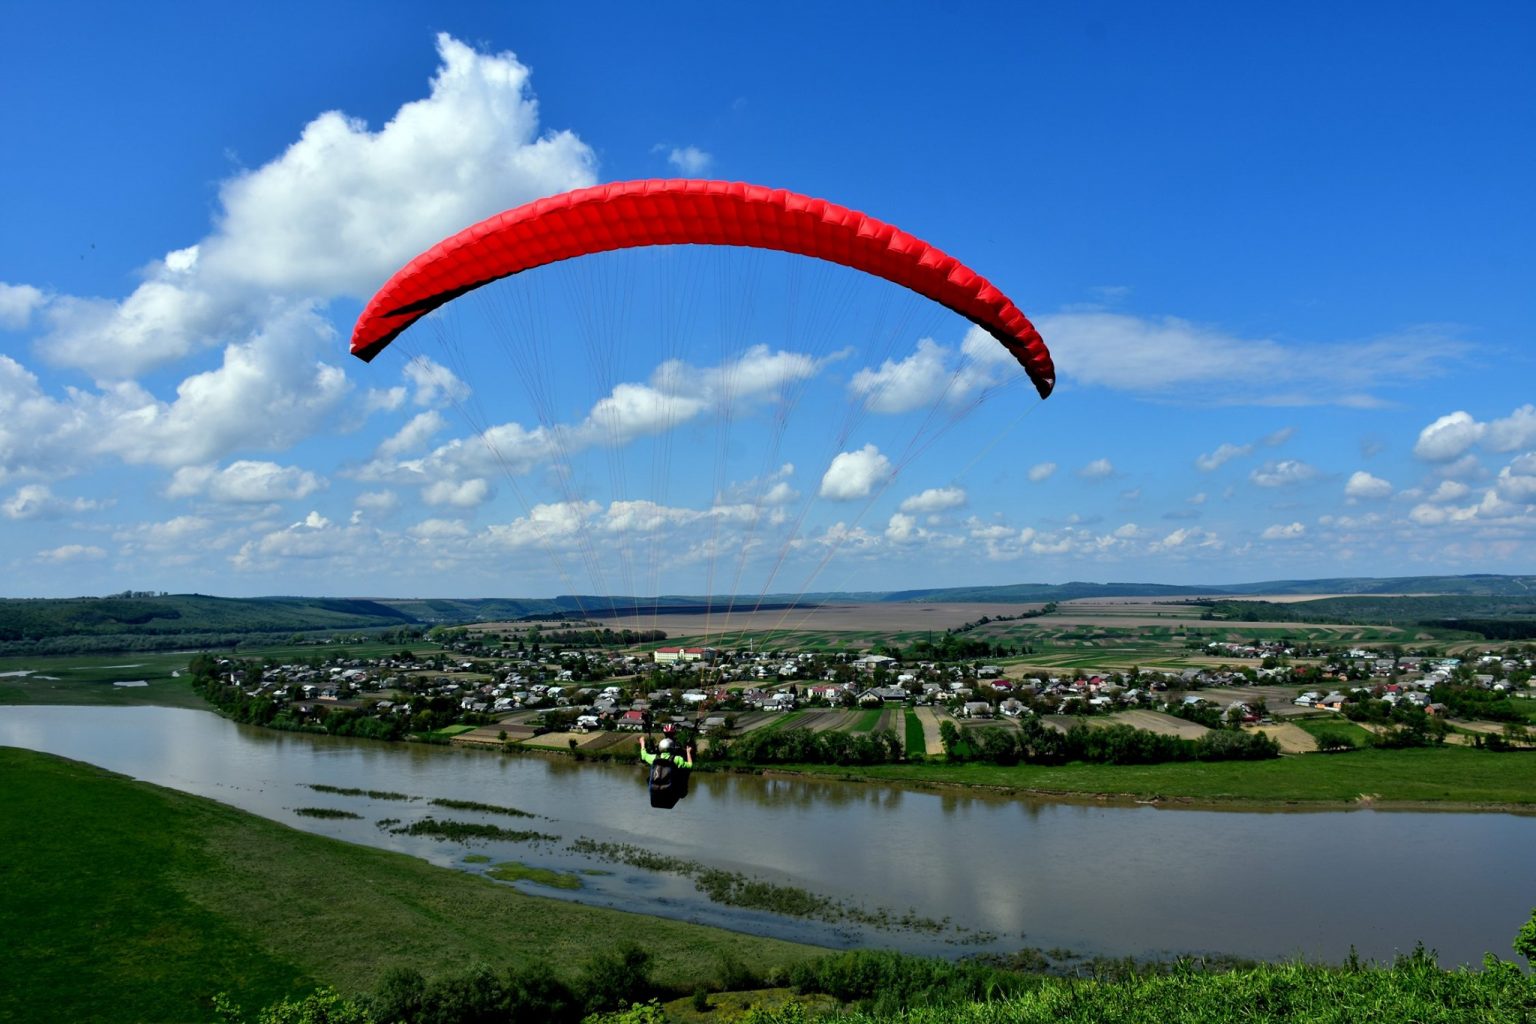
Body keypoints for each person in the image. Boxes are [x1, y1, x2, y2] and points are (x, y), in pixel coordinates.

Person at [640, 732, 693, 810]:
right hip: (670, 795)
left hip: (655, 795)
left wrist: (642, 743)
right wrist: (688, 752)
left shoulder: (654, 758)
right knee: (683, 775)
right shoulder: (677, 759)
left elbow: (643, 756)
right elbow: (690, 765)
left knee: (649, 778)